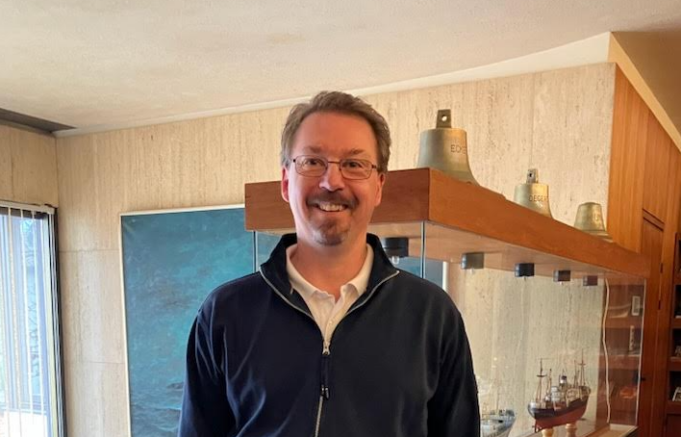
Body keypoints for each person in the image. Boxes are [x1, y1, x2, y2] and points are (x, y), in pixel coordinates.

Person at [178, 91, 480, 437]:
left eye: (354, 164)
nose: (332, 182)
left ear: (378, 186)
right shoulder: (224, 313)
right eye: (312, 162)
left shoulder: (433, 315)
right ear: (286, 181)